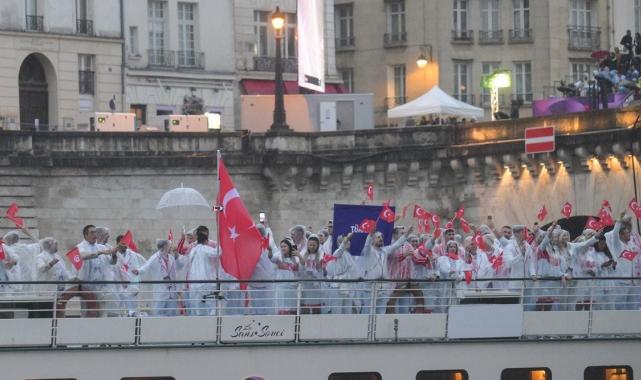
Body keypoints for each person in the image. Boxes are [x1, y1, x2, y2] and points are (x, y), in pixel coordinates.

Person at [360, 225, 414, 314]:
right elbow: (366, 246)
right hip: (370, 288)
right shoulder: (368, 252)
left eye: (381, 237)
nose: (381, 239)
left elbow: (397, 244)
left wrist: (407, 233)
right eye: (378, 237)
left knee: (381, 313)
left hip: (383, 288)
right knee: (368, 313)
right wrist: (370, 235)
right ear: (372, 240)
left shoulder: (385, 250)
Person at [76, 224, 118, 316]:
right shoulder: (80, 247)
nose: (95, 234)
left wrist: (114, 254)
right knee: (87, 312)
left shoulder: (101, 247)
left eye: (95, 232)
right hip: (87, 286)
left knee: (102, 312)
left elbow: (112, 262)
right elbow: (82, 256)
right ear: (86, 235)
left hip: (101, 286)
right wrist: (100, 253)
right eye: (92, 232)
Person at [133, 239, 182, 316]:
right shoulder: (155, 257)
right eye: (169, 246)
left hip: (172, 292)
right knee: (158, 314)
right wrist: (138, 271)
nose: (170, 248)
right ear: (164, 247)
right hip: (161, 292)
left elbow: (175, 275)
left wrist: (178, 289)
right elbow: (146, 266)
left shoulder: (171, 258)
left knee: (172, 314)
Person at [605, 213, 641, 310]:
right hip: (621, 282)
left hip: (632, 282)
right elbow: (614, 234)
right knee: (621, 309)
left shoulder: (630, 246)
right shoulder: (618, 246)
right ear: (621, 235)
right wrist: (619, 221)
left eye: (629, 232)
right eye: (626, 232)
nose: (629, 234)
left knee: (633, 308)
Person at [181, 226, 219, 316]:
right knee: (209, 306)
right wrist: (220, 243)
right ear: (206, 241)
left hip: (194, 283)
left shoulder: (193, 249)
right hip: (204, 283)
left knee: (197, 308)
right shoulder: (205, 248)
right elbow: (218, 252)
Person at [326, 232, 360, 314]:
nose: (348, 242)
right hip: (338, 287)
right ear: (339, 243)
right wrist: (347, 238)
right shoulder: (337, 253)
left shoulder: (349, 255)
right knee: (337, 312)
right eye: (345, 241)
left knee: (347, 312)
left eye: (349, 240)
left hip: (348, 287)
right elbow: (341, 249)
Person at [247, 224, 277, 315]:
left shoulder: (270, 245)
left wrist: (270, 251)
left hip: (268, 281)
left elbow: (275, 258)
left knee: (268, 306)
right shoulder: (249, 245)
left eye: (260, 232)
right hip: (254, 282)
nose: (259, 234)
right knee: (256, 308)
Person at [115, 234, 146, 316]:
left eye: (126, 243)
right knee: (120, 311)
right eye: (123, 243)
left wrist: (136, 285)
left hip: (132, 287)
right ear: (118, 243)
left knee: (132, 310)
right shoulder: (114, 255)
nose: (125, 246)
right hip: (119, 287)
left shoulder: (132, 254)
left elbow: (139, 267)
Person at [271, 238, 300, 315]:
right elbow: (271, 258)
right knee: (282, 308)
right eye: (282, 247)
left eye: (285, 246)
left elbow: (300, 270)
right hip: (281, 288)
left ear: (290, 247)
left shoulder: (296, 258)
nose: (283, 248)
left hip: (292, 288)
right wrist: (270, 251)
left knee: (292, 309)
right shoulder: (278, 257)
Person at [299, 234, 324, 314]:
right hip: (306, 285)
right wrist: (304, 270)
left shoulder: (321, 255)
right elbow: (299, 269)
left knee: (316, 308)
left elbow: (322, 272)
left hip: (316, 287)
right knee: (305, 307)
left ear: (317, 245)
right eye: (310, 245)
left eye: (314, 245)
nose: (312, 247)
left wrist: (315, 272)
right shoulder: (303, 254)